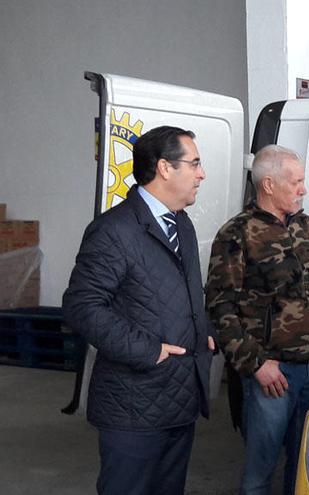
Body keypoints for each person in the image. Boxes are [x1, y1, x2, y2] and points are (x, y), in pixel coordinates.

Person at [63, 126, 217, 494]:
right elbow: (81, 306)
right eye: (194, 163)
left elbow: (182, 293)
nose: (202, 173)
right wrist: (148, 350)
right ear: (165, 168)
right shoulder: (114, 230)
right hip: (133, 405)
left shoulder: (181, 224)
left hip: (179, 399)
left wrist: (204, 331)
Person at [205, 144, 309, 495]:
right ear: (268, 184)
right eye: (296, 181)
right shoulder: (237, 234)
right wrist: (255, 365)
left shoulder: (308, 227)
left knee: (308, 465)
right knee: (260, 472)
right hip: (273, 375)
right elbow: (220, 306)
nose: (303, 189)